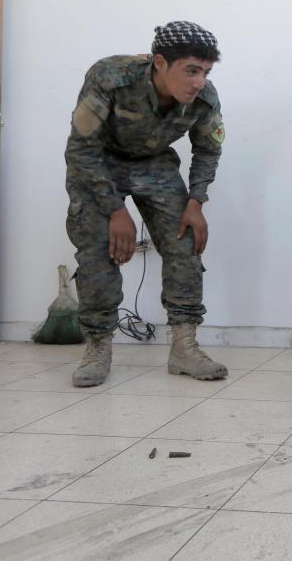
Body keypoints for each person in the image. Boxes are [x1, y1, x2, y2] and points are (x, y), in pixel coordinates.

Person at [64, 21, 228, 387]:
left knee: (185, 242)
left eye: (205, 71)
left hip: (154, 164)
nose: (199, 81)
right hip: (98, 164)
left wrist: (196, 200)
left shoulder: (204, 97)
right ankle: (97, 348)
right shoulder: (110, 77)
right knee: (96, 253)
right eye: (190, 70)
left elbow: (208, 148)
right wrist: (114, 209)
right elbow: (80, 148)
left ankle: (184, 347)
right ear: (160, 62)